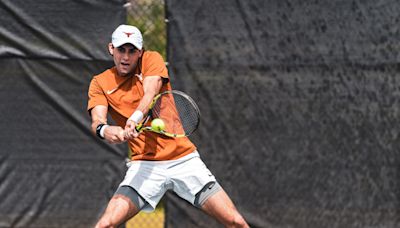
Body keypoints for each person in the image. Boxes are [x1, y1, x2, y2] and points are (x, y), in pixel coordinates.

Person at [87, 24, 249, 228]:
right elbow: (97, 122)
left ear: (140, 52)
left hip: (183, 160)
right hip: (144, 166)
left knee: (236, 222)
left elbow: (150, 92)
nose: (126, 57)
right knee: (105, 224)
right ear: (111, 48)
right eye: (121, 50)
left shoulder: (151, 59)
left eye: (132, 51)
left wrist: (135, 117)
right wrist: (109, 131)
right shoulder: (99, 83)